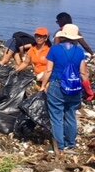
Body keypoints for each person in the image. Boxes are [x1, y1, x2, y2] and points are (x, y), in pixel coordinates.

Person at [40, 24, 93, 153]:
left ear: (63, 36)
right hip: (75, 87)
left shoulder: (55, 50)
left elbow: (48, 70)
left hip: (57, 85)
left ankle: (59, 146)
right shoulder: (80, 52)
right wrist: (88, 90)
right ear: (75, 38)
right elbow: (83, 73)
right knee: (70, 115)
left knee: (56, 115)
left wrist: (43, 85)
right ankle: (71, 144)